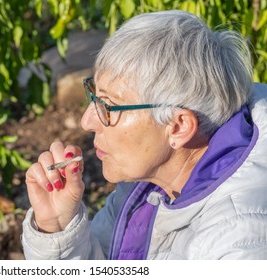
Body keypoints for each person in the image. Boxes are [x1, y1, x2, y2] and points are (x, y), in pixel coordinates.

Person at [21, 10, 267, 259]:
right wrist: (58, 228)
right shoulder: (148, 181)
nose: (87, 121)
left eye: (108, 105)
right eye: (94, 95)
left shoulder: (240, 245)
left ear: (178, 127)